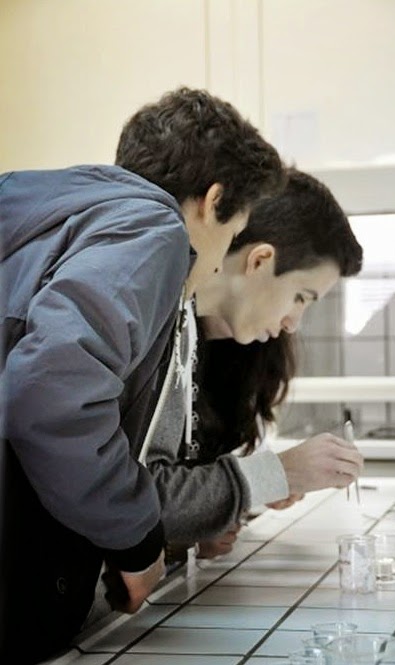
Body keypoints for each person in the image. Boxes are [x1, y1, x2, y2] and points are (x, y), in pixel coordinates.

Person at [0, 86, 285, 663]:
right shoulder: (152, 229)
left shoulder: (51, 213)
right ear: (212, 200)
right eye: (231, 236)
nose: (215, 264)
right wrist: (136, 538)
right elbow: (50, 397)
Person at [144, 168, 365, 562]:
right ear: (260, 260)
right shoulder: (160, 322)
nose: (292, 324)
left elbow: (168, 497)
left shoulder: (234, 347)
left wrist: (210, 519)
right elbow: (136, 498)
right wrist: (278, 473)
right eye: (300, 297)